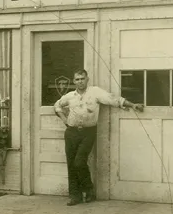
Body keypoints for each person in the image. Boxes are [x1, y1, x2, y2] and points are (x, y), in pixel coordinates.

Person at [54, 68, 144, 206]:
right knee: (71, 164)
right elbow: (57, 106)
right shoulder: (70, 96)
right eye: (77, 79)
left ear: (87, 79)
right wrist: (64, 120)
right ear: (74, 81)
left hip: (88, 132)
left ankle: (88, 189)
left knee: (79, 162)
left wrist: (133, 105)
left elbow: (114, 100)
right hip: (71, 132)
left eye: (82, 78)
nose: (80, 82)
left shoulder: (95, 92)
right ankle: (74, 196)